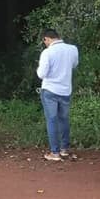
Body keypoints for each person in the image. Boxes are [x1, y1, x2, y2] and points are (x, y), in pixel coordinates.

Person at [36, 28, 79, 161]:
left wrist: (38, 68)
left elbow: (41, 74)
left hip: (50, 90)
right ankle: (64, 149)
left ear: (46, 39)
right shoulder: (72, 49)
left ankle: (55, 153)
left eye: (45, 41)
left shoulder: (47, 52)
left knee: (52, 120)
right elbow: (74, 65)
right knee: (64, 119)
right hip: (65, 90)